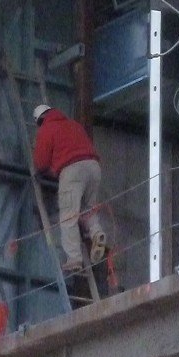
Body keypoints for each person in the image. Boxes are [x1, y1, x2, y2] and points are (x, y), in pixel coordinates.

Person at [32, 104, 107, 272]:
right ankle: (97, 233)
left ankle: (74, 258)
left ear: (40, 119)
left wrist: (42, 170)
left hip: (72, 171)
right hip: (94, 167)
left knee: (68, 215)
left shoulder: (46, 128)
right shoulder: (74, 125)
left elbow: (41, 162)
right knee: (88, 209)